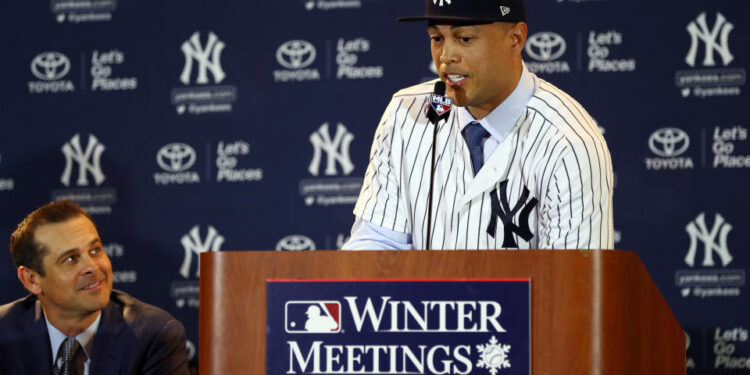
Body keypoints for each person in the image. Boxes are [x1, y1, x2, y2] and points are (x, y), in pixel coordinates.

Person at [343, 0, 613, 250]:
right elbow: (376, 246)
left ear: (516, 38)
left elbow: (575, 285)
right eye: (437, 38)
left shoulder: (569, 142)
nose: (446, 56)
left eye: (464, 38)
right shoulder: (406, 113)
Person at [0, 200, 189, 374]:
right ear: (32, 280)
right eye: (71, 259)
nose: (92, 266)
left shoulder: (153, 336)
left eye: (95, 250)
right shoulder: (4, 334)